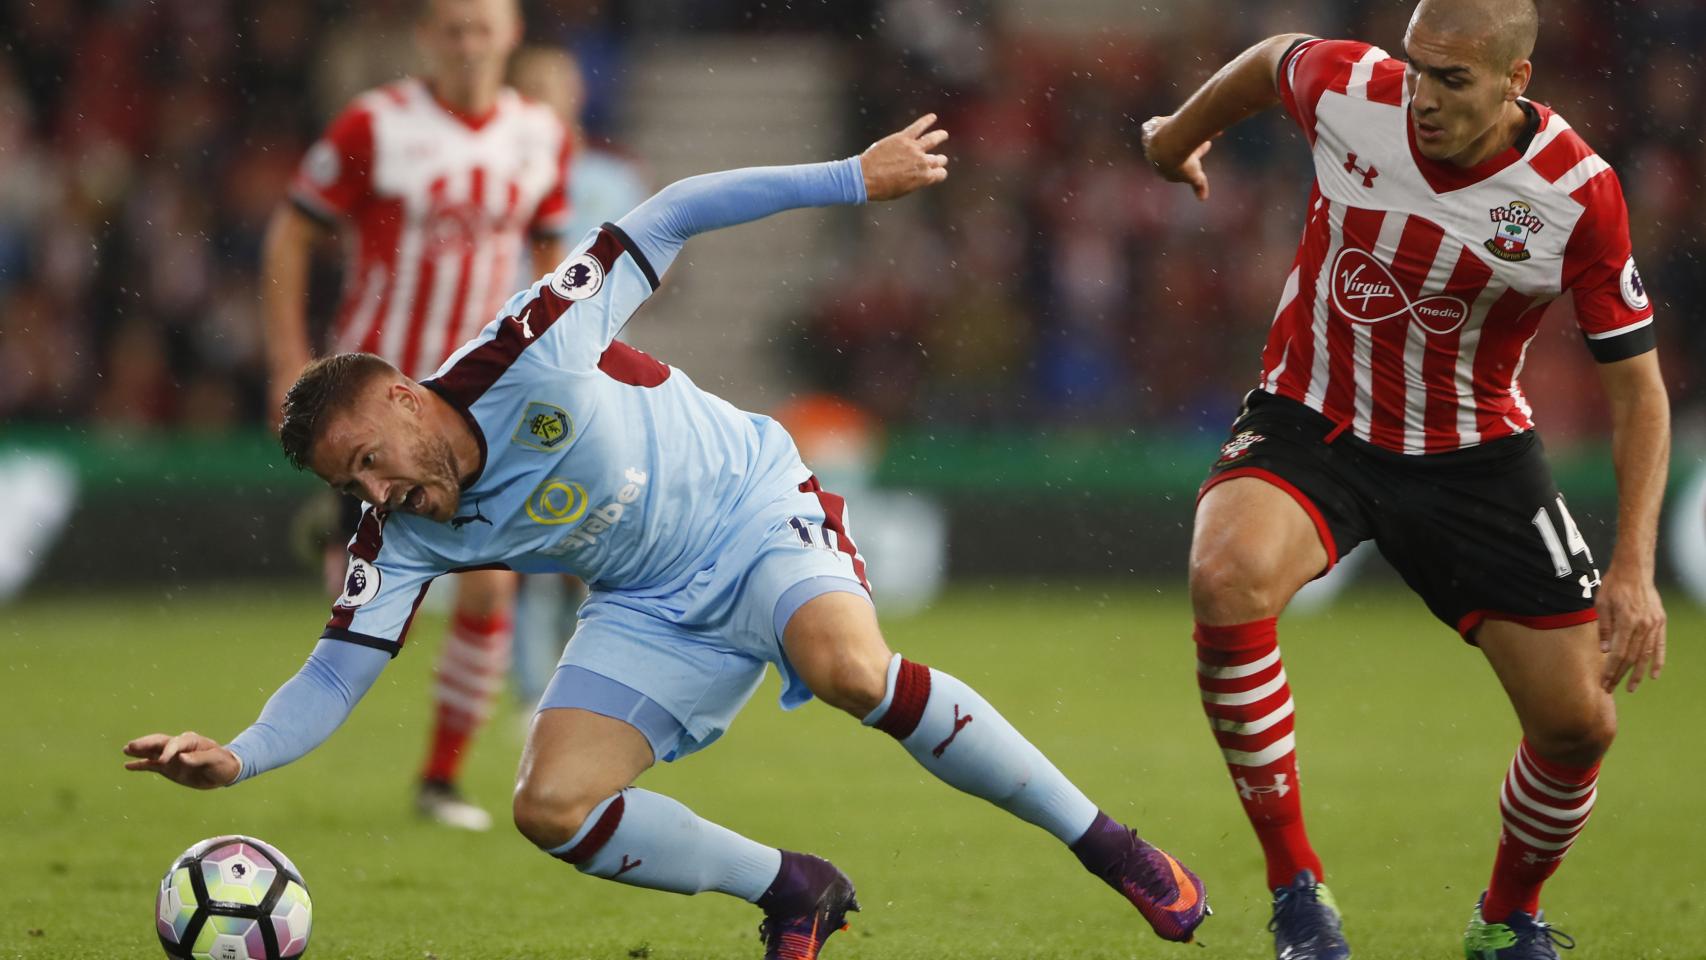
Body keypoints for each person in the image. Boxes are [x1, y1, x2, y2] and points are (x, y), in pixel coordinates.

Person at [125, 116, 1211, 957]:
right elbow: (338, 669)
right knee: (550, 807)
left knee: (850, 671)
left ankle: (1110, 847)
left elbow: (672, 212)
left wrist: (849, 177)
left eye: (372, 459)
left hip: (752, 508)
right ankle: (793, 889)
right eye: (349, 483)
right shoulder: (397, 534)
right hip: (645, 604)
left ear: (408, 398)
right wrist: (240, 754)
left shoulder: (530, 349)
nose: (376, 492)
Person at [1140, 1, 1668, 957]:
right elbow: (1270, 60)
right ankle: (1298, 893)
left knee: (1579, 725)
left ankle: (1507, 919)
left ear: (1515, 81)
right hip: (1314, 420)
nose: (1422, 95)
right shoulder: (1355, 89)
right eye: (1418, 67)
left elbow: (1639, 393)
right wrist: (1176, 137)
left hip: (1475, 454)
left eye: (1452, 79)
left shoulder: (1577, 193)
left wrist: (1633, 566)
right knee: (1224, 578)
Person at [261, 0, 571, 830]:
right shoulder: (377, 124)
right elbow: (291, 233)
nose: (469, 46)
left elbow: (551, 256)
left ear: (511, 34)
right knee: (361, 603)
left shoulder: (541, 135)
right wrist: (289, 362)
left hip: (474, 401)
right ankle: (341, 531)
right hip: (373, 401)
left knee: (490, 584)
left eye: (483, 29)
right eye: (453, 30)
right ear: (428, 37)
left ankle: (441, 779)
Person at [503, 46, 653, 712]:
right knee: (521, 533)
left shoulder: (615, 179)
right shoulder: (499, 178)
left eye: (554, 87)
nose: (545, 100)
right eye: (531, 89)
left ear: (577, 94)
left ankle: (574, 676)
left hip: (596, 372)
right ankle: (526, 687)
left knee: (590, 534)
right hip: (517, 372)